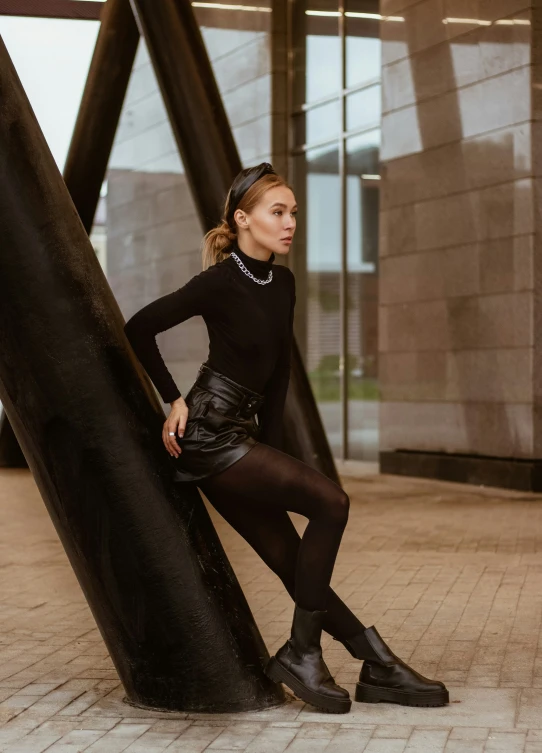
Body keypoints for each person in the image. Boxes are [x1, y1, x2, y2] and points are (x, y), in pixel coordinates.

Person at [123, 162, 449, 714]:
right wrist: (171, 398)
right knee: (331, 503)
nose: (290, 222)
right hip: (207, 435)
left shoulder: (284, 283)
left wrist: (271, 449)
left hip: (243, 436)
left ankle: (376, 663)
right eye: (278, 212)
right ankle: (304, 653)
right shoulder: (220, 282)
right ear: (243, 219)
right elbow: (139, 327)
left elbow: (277, 378)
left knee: (292, 560)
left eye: (294, 212)